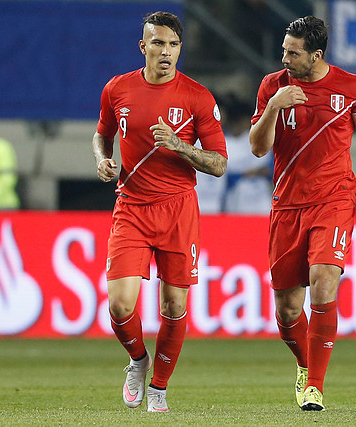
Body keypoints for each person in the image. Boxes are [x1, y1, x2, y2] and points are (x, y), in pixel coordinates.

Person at [248, 16, 356, 411]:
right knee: (287, 310)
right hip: (286, 206)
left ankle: (315, 386)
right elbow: (256, 148)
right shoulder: (273, 86)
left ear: (316, 55)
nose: (283, 57)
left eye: (292, 52)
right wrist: (272, 108)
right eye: (284, 50)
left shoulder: (352, 88)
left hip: (333, 201)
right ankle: (305, 366)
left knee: (324, 281)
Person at [92, 11, 227, 412]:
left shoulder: (197, 97)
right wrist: (102, 159)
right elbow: (102, 136)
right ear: (143, 47)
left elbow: (219, 164)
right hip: (132, 206)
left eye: (172, 45)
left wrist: (180, 146)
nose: (165, 52)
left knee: (174, 306)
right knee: (120, 304)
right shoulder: (117, 90)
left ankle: (159, 387)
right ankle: (137, 360)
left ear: (179, 49)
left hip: (178, 210)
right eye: (158, 43)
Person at [221, 96, 272, 214]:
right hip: (236, 199)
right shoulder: (224, 143)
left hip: (260, 199)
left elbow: (270, 169)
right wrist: (244, 174)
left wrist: (254, 173)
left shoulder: (257, 139)